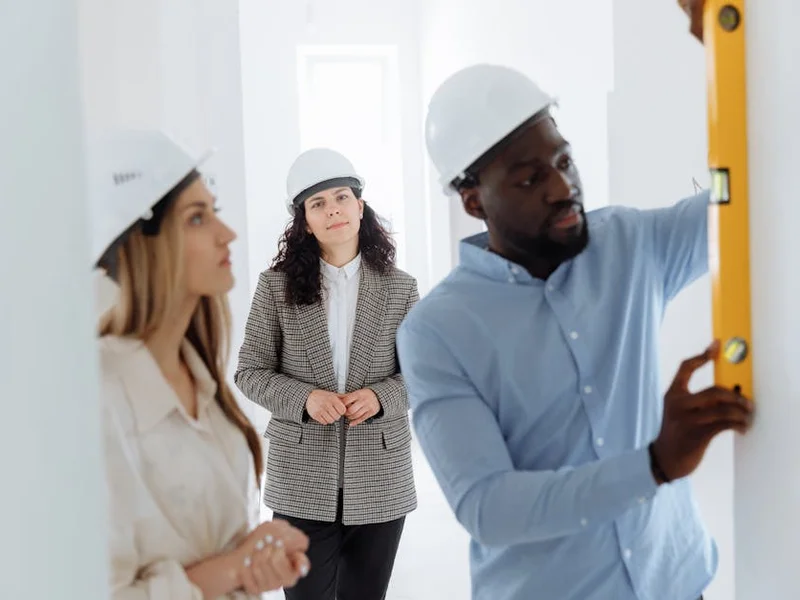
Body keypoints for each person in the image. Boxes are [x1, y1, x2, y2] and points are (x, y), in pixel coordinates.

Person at [395, 62, 755, 600]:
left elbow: (747, 200)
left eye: (564, 161)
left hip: (676, 582)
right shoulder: (436, 332)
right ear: (474, 200)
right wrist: (653, 465)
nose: (564, 187)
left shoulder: (631, 244)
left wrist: (727, 53)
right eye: (529, 178)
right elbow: (488, 507)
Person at [90, 130, 311, 599]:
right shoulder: (97, 394)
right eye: (197, 218)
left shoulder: (202, 382)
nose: (226, 233)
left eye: (215, 212)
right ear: (139, 245)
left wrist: (254, 558)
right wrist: (233, 569)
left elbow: (206, 551)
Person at [235, 148, 418, 600]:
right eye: (317, 204)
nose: (332, 208)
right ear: (305, 221)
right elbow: (249, 372)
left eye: (341, 197)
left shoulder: (401, 288)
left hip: (381, 477)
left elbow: (424, 375)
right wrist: (303, 399)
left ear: (360, 207)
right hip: (301, 480)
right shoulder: (275, 287)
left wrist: (380, 397)